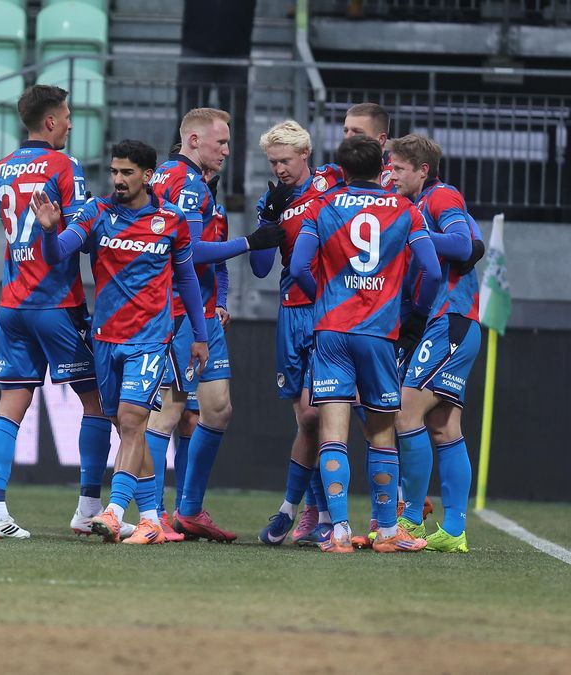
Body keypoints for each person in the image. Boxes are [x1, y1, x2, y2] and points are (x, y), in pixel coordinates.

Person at [35, 140, 208, 545]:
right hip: (105, 339)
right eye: (114, 171)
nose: (118, 179)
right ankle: (150, 519)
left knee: (133, 420)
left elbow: (187, 280)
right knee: (125, 427)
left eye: (127, 172)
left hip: (149, 340)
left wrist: (199, 335)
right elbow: (59, 253)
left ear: (148, 176)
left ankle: (114, 511)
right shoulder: (97, 212)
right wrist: (48, 230)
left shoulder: (171, 220)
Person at [0, 85, 123, 540]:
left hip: (12, 301)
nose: (70, 123)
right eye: (65, 117)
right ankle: (87, 508)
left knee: (11, 404)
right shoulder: (65, 166)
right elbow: (78, 226)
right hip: (55, 302)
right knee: (97, 402)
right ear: (49, 121)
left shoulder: (0, 169)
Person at [289, 134, 441, 554]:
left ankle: (337, 532)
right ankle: (388, 533)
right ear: (383, 169)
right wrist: (413, 314)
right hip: (378, 332)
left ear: (343, 168)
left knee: (333, 432)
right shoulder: (407, 211)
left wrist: (322, 296)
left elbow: (300, 264)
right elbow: (431, 271)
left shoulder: (322, 207)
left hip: (332, 329)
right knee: (381, 432)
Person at [148, 108, 283, 542]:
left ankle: (188, 511)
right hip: (177, 310)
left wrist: (220, 300)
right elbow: (186, 252)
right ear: (192, 141)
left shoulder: (196, 187)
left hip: (202, 311)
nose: (227, 150)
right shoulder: (185, 184)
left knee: (217, 409)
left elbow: (208, 258)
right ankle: (151, 513)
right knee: (168, 412)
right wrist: (249, 242)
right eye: (220, 143)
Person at [249, 120, 344, 546]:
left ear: (305, 155)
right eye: (273, 162)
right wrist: (267, 222)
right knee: (307, 420)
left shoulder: (332, 181)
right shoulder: (272, 201)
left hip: (330, 308)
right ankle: (315, 514)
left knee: (319, 415)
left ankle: (390, 509)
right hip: (292, 313)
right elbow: (259, 269)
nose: (280, 169)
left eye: (285, 160)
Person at [389, 133, 485, 553]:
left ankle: (408, 521)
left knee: (406, 411)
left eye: (398, 169)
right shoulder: (416, 206)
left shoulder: (441, 197)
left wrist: (412, 236)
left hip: (452, 321)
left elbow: (464, 245)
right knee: (443, 426)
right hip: (444, 322)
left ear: (422, 170)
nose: (391, 176)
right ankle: (454, 531)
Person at [176, 0, 256, 203]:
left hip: (235, 50)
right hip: (196, 46)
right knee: (186, 121)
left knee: (235, 123)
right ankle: (176, 179)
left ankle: (234, 188)